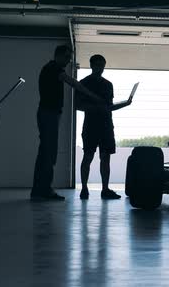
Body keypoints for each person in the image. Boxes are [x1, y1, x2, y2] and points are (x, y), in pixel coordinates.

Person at [31, 45, 104, 201]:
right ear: (58, 56)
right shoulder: (53, 68)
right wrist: (94, 97)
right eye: (67, 57)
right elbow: (74, 84)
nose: (68, 61)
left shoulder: (51, 68)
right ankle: (44, 190)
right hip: (48, 114)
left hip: (49, 114)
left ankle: (40, 190)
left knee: (46, 152)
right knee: (48, 153)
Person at [77, 54, 131, 200]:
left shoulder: (108, 85)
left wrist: (124, 104)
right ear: (92, 65)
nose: (100, 68)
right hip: (91, 125)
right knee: (88, 156)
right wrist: (95, 108)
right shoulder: (83, 83)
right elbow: (77, 105)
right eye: (98, 65)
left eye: (102, 65)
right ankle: (84, 188)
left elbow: (109, 107)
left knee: (104, 158)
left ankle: (104, 189)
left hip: (106, 125)